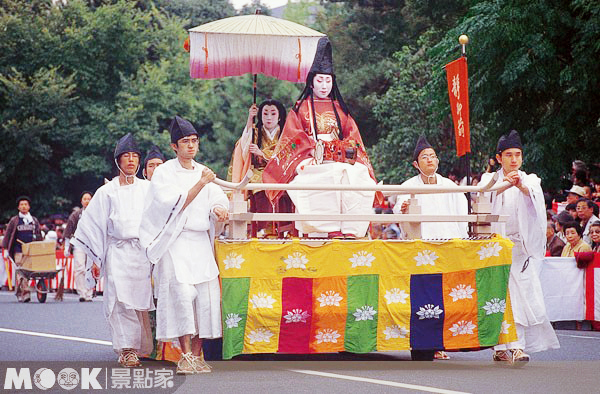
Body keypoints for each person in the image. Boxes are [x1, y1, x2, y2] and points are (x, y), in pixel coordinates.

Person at [263, 37, 379, 239]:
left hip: (340, 157)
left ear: (333, 82)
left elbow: (353, 136)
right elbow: (293, 137)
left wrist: (345, 149)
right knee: (323, 175)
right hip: (311, 157)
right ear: (311, 82)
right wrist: (315, 152)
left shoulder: (340, 109)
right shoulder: (300, 109)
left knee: (359, 174)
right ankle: (326, 227)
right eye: (320, 80)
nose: (324, 85)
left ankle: (351, 229)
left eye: (328, 80)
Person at [139, 115, 229, 375]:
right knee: (182, 296)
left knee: (206, 297)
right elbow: (170, 205)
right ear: (174, 147)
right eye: (185, 142)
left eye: (194, 141)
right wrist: (201, 183)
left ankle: (198, 355)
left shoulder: (203, 169)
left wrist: (219, 208)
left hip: (200, 242)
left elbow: (217, 197)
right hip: (176, 242)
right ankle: (185, 355)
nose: (191, 146)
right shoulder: (165, 172)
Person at [72, 133, 154, 368]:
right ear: (118, 161)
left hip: (142, 252)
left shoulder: (148, 188)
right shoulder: (105, 192)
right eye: (126, 156)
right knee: (120, 301)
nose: (131, 160)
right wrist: (96, 258)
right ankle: (127, 349)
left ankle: (140, 349)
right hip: (117, 251)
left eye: (135, 156)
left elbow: (160, 219)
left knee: (139, 302)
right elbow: (93, 226)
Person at [480, 130, 559, 365]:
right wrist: (505, 184)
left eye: (518, 155)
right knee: (500, 297)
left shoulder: (531, 179)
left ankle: (517, 346)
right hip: (495, 247)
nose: (514, 160)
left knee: (522, 296)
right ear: (499, 157)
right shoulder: (489, 179)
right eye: (508, 155)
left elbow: (534, 197)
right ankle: (503, 346)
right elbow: (485, 195)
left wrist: (521, 186)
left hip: (520, 248)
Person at [229, 100, 293, 236]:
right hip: (260, 172)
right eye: (265, 114)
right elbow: (244, 143)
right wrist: (249, 118)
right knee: (260, 183)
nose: (269, 117)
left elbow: (287, 156)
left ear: (280, 116)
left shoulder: (285, 135)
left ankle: (285, 227)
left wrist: (262, 153)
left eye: (273, 113)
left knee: (289, 187)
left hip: (280, 171)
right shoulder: (255, 133)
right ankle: (263, 226)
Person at [393, 135, 468, 240]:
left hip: (450, 240)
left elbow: (462, 211)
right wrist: (403, 208)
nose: (429, 160)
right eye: (424, 157)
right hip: (421, 241)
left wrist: (463, 238)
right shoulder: (408, 186)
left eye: (433, 156)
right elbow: (399, 209)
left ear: (437, 161)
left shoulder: (450, 186)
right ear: (416, 164)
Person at [2, 196, 43, 302]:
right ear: (18, 207)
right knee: (21, 272)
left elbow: (39, 235)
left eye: (26, 204)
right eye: (21, 205)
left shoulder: (34, 220)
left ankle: (22, 291)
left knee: (30, 272)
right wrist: (6, 249)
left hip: (31, 251)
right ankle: (25, 293)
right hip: (18, 250)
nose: (24, 206)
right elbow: (7, 235)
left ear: (29, 206)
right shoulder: (14, 220)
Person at [64, 191, 94, 302]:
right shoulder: (76, 215)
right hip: (79, 244)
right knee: (80, 268)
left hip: (92, 245)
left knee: (90, 268)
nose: (87, 201)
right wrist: (67, 247)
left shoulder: (97, 214)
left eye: (89, 199)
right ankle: (82, 292)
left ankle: (89, 292)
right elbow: (68, 231)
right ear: (81, 201)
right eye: (85, 199)